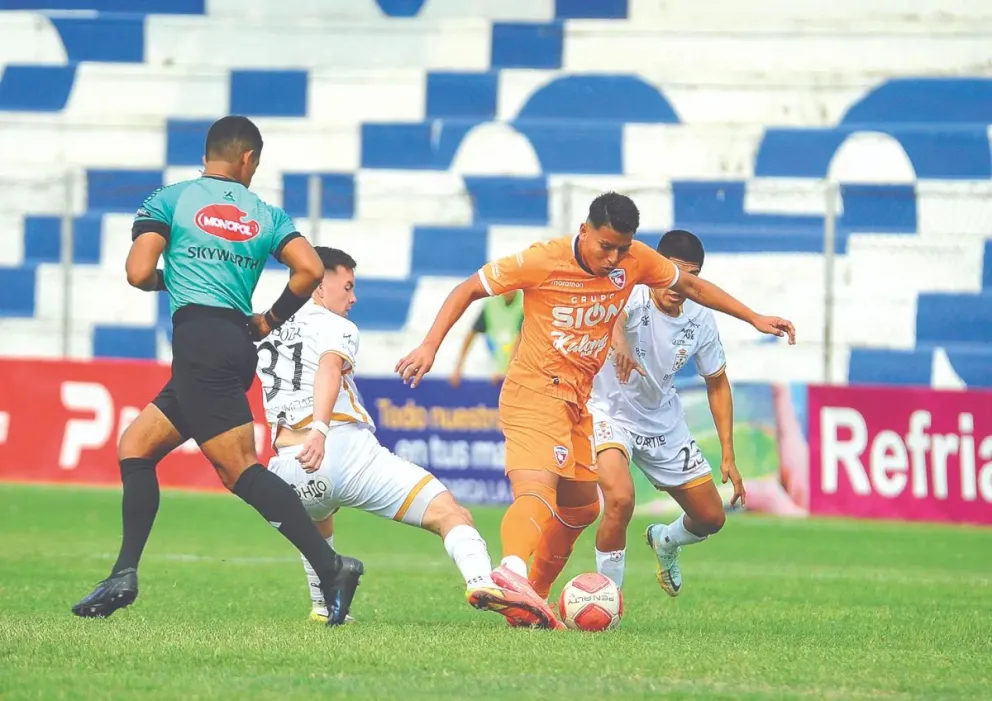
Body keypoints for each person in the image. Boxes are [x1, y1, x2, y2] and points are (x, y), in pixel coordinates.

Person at [395, 192, 796, 626]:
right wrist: (430, 346)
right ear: (584, 231)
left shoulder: (635, 261)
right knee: (539, 492)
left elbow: (692, 287)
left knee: (582, 508)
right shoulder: (542, 260)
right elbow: (469, 288)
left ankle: (530, 600)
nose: (614, 259)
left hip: (578, 402)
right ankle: (510, 571)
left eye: (622, 249)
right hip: (535, 393)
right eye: (606, 247)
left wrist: (754, 318)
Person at [71, 116, 362, 626]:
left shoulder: (171, 199)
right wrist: (269, 319)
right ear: (248, 159)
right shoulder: (266, 213)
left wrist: (175, 278)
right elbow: (311, 269)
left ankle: (331, 566)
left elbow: (138, 273)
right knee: (136, 447)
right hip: (232, 340)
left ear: (209, 154)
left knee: (240, 471)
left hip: (198, 344)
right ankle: (123, 573)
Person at [257, 246, 559, 628]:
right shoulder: (335, 325)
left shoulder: (267, 329)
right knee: (450, 513)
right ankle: (482, 581)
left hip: (287, 466)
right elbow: (329, 369)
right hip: (338, 447)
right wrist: (319, 429)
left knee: (319, 519)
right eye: (347, 287)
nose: (353, 298)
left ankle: (322, 605)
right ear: (318, 285)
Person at [588, 229, 745, 595]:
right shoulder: (631, 289)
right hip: (609, 413)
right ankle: (609, 599)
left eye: (691, 276)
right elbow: (611, 317)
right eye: (673, 271)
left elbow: (717, 382)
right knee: (620, 500)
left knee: (711, 517)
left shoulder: (700, 318)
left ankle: (666, 541)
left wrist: (728, 453)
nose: (679, 284)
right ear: (657, 266)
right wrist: (620, 342)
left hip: (662, 421)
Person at [450, 290, 523, 387]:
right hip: (500, 369)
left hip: (520, 369)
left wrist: (509, 370)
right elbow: (472, 334)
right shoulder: (491, 304)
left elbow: (520, 337)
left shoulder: (526, 302)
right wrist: (458, 367)